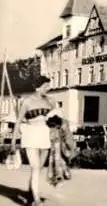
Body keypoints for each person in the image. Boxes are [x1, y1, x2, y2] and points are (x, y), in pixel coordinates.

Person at [10, 75, 63, 206]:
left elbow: (56, 121)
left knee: (38, 168)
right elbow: (18, 121)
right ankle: (36, 199)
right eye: (45, 86)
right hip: (31, 135)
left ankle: (30, 196)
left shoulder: (50, 101)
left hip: (45, 136)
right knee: (35, 168)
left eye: (48, 86)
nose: (47, 89)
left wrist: (56, 124)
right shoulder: (27, 101)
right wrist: (13, 142)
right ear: (38, 86)